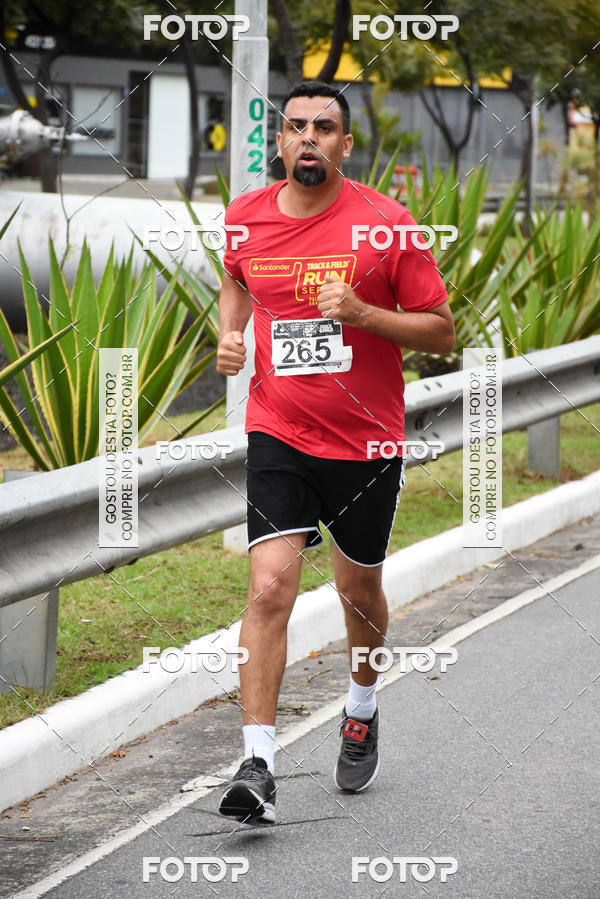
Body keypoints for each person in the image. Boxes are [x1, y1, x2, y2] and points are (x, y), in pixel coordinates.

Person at [215, 80, 455, 825]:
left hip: (366, 439)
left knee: (357, 590)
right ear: (280, 141)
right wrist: (228, 335)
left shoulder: (389, 226)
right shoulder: (244, 217)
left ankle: (360, 704)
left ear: (346, 145)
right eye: (297, 126)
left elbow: (441, 331)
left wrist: (362, 314)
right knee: (268, 587)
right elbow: (235, 280)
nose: (310, 137)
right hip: (279, 431)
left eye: (326, 126)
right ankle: (258, 764)